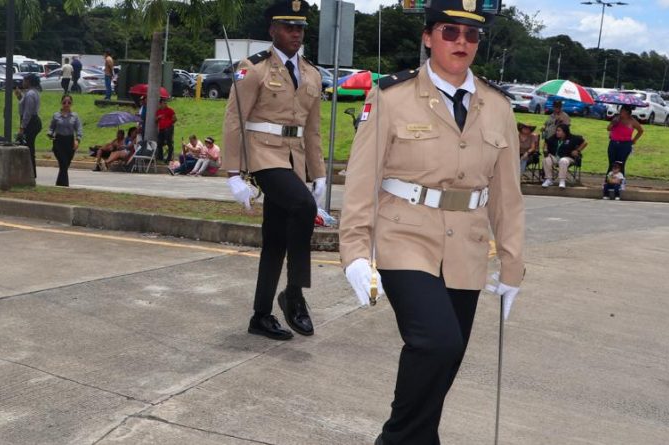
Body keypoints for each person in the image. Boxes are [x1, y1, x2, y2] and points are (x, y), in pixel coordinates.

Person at [338, 0, 525, 443]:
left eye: (472, 34)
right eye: (449, 31)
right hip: (404, 236)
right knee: (437, 342)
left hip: (467, 246)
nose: (462, 42)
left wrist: (513, 265)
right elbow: (362, 180)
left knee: (445, 363)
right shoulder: (391, 96)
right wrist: (355, 252)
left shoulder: (498, 107)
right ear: (427, 37)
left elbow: (507, 195)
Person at [222, 0, 326, 341]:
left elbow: (312, 129)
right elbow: (234, 119)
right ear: (273, 30)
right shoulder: (254, 69)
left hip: (294, 159)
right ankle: (294, 294)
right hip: (263, 154)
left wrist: (319, 173)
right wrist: (233, 174)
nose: (295, 33)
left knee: (276, 239)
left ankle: (261, 316)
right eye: (288, 27)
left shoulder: (311, 73)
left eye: (300, 28)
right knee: (304, 206)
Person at [48, 94, 82, 186]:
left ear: (71, 104)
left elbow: (79, 129)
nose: (66, 104)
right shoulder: (56, 115)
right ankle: (65, 184)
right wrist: (50, 134)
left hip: (70, 141)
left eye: (69, 102)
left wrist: (77, 140)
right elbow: (51, 128)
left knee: (65, 164)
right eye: (64, 102)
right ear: (61, 103)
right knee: (63, 162)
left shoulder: (75, 116)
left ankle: (59, 184)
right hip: (59, 141)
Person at [542, 124, 586, 188]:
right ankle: (549, 179)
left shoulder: (573, 138)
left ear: (564, 132)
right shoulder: (554, 137)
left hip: (568, 158)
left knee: (563, 160)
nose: (557, 132)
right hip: (555, 157)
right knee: (546, 160)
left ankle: (562, 180)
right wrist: (546, 149)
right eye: (556, 130)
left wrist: (577, 150)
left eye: (559, 131)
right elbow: (546, 142)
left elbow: (585, 142)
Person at [606, 105, 643, 178]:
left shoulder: (632, 121)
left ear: (627, 112)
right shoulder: (616, 119)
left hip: (625, 145)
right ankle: (608, 181)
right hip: (614, 143)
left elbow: (640, 131)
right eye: (620, 110)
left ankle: (620, 181)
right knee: (612, 163)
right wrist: (613, 123)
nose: (620, 112)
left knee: (620, 164)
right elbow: (608, 128)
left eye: (622, 111)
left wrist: (634, 140)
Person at [17, 73, 41, 178]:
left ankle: (30, 172)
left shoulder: (30, 94)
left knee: (28, 147)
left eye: (24, 80)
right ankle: (29, 172)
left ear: (28, 81)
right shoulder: (32, 93)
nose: (23, 82)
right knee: (28, 146)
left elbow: (28, 112)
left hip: (31, 122)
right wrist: (20, 97)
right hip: (32, 121)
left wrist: (22, 127)